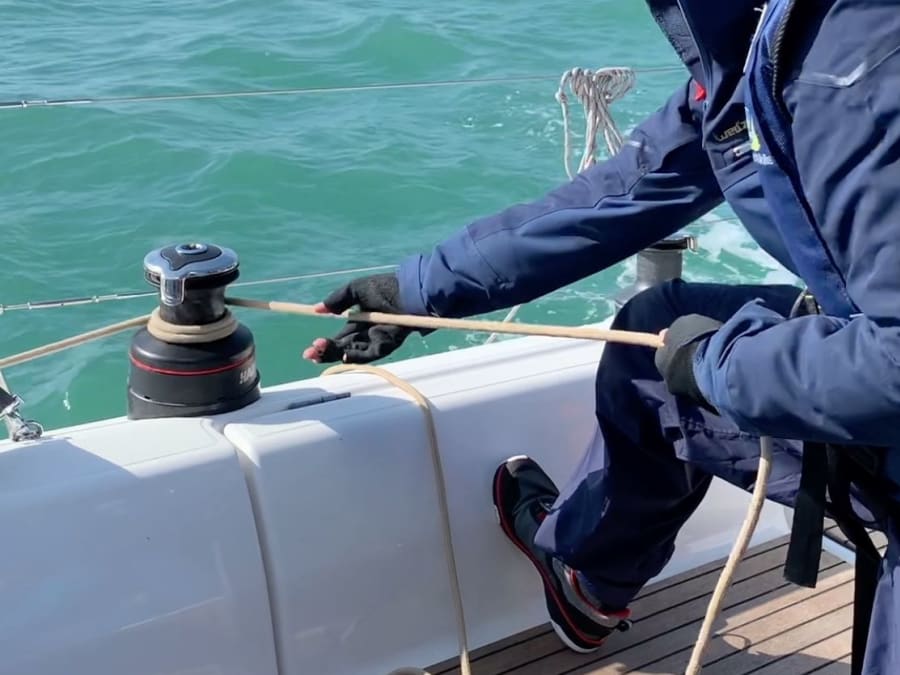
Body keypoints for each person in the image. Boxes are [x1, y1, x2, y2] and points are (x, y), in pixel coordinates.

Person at [304, 1, 900, 673]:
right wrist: (420, 292)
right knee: (651, 344)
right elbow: (632, 186)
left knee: (677, 362)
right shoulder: (774, 41)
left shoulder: (857, 63)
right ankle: (590, 583)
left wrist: (717, 363)